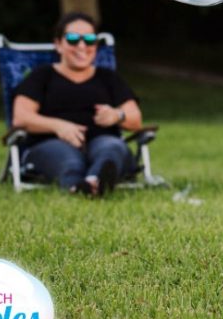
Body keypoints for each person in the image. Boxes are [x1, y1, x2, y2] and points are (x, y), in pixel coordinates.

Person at [11, 12, 143, 197]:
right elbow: (21, 117)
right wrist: (58, 126)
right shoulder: (42, 76)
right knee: (69, 159)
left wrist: (117, 115)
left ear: (96, 45)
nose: (82, 46)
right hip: (51, 142)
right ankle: (79, 185)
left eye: (90, 39)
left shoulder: (108, 77)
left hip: (101, 139)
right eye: (73, 39)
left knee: (112, 148)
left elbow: (136, 119)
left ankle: (92, 183)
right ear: (58, 44)